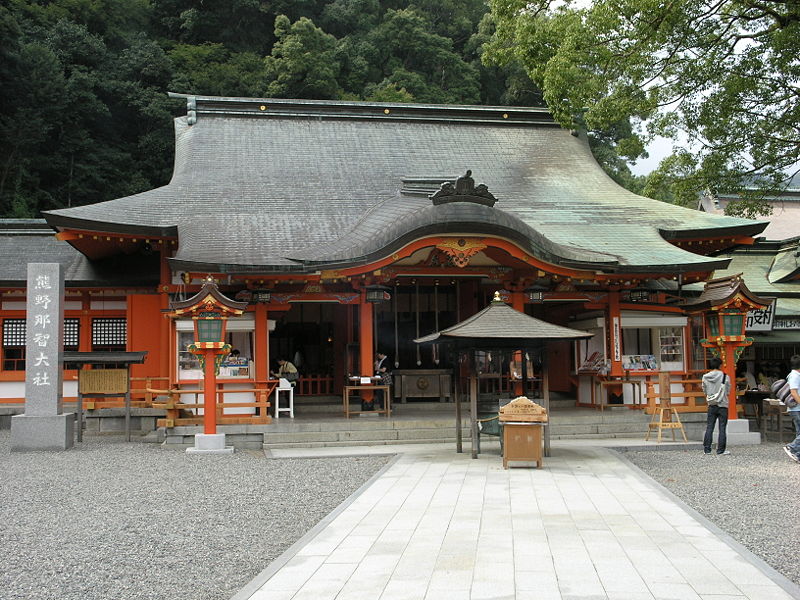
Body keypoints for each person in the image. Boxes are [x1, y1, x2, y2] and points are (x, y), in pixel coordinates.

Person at [702, 357, 731, 455]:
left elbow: (704, 390)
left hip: (711, 404)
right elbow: (727, 391)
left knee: (709, 427)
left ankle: (707, 449)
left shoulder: (705, 377)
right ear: (720, 365)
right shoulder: (725, 376)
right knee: (722, 427)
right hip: (722, 404)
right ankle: (720, 450)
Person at [783, 355, 800, 463]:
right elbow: (793, 392)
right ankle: (792, 447)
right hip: (797, 408)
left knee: (799, 432)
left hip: (795, 408)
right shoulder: (795, 376)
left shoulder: (792, 375)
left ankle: (798, 454)